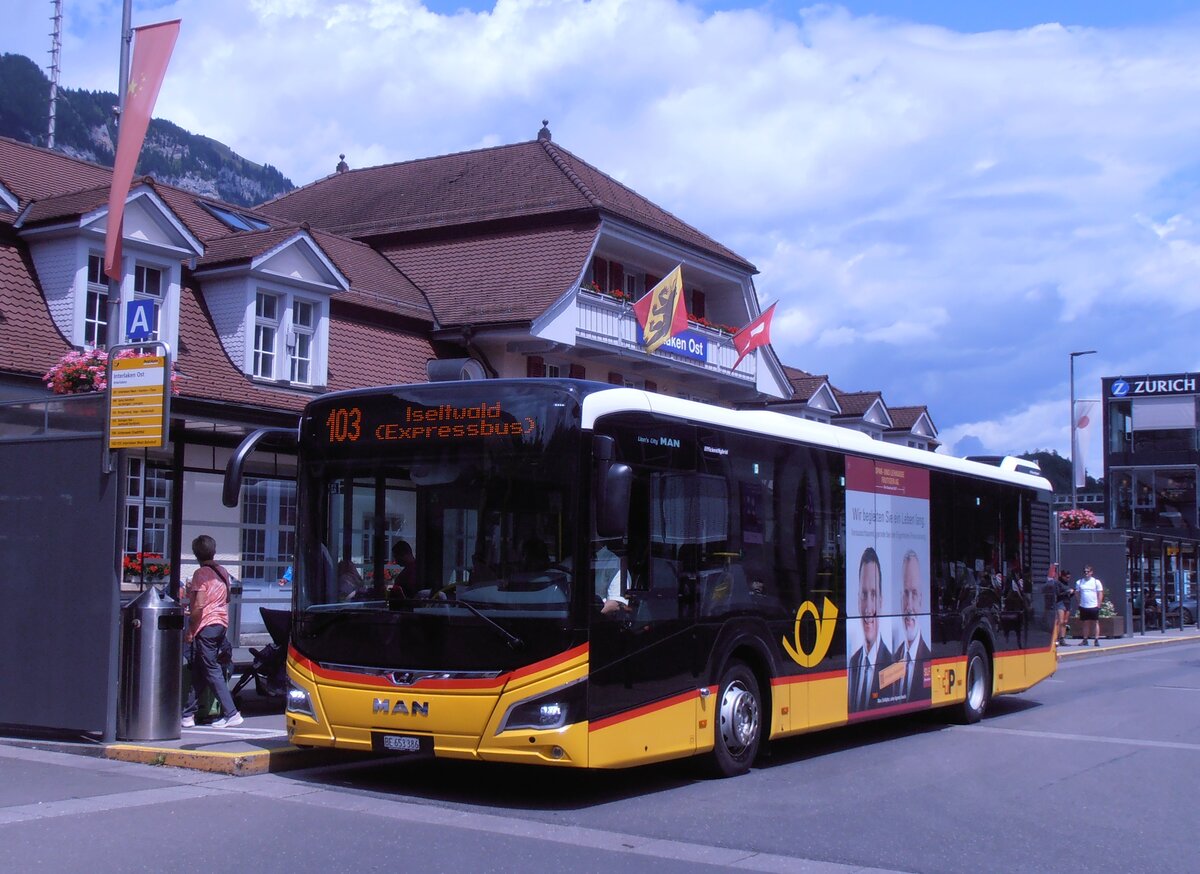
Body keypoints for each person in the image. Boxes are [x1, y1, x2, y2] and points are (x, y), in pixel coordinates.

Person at [181, 534, 243, 728]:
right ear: (214, 551)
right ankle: (187, 714)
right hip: (221, 624)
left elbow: (199, 606)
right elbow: (226, 600)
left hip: (205, 625)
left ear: (195, 554)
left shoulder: (200, 575)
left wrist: (191, 629)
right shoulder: (223, 572)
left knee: (211, 669)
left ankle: (232, 713)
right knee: (201, 669)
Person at [848, 547, 894, 712]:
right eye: (864, 595)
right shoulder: (853, 662)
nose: (869, 608)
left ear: (881, 601)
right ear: (858, 600)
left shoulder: (893, 663)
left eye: (873, 595)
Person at [893, 550, 931, 702]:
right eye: (905, 593)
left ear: (921, 599)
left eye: (914, 594)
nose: (909, 605)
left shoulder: (927, 654)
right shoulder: (894, 657)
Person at [593, 541, 630, 616]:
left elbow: (615, 604)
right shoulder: (569, 562)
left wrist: (588, 613)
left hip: (599, 622)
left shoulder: (615, 564)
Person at [1076, 564, 1104, 646]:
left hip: (1094, 605)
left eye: (1088, 571)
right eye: (1085, 571)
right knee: (1085, 623)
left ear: (1091, 572)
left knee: (1095, 622)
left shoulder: (1096, 582)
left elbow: (1100, 593)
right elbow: (1077, 593)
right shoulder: (1079, 582)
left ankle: (1096, 640)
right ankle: (1085, 639)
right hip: (1084, 606)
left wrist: (1099, 604)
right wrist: (1079, 602)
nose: (1086, 573)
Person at [1053, 566, 1074, 647]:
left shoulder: (1066, 583)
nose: (1068, 578)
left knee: (1065, 622)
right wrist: (1067, 591)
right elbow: (1058, 594)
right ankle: (1056, 639)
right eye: (1067, 577)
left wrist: (1071, 593)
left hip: (1067, 602)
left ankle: (1062, 638)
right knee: (1060, 621)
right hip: (1060, 603)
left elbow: (1068, 595)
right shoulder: (1058, 583)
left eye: (1069, 577)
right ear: (1062, 576)